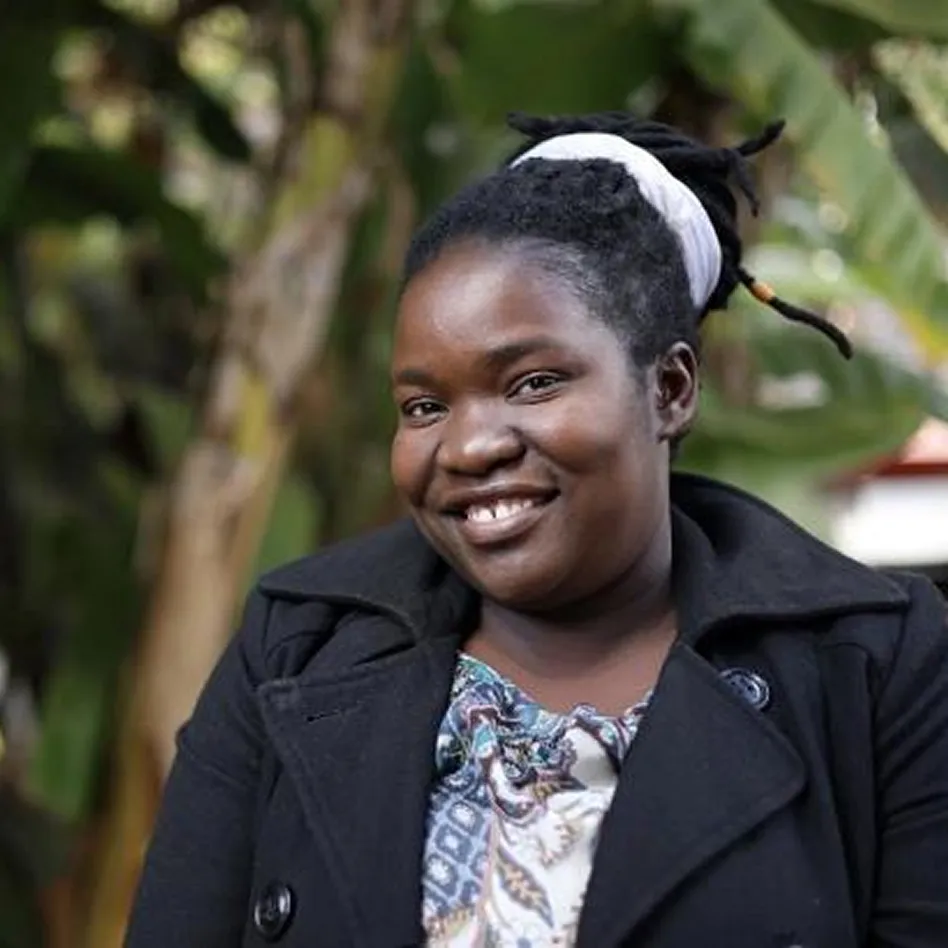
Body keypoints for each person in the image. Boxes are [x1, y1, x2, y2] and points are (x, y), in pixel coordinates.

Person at [125, 111, 948, 948]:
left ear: (669, 389)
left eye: (533, 382)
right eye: (424, 406)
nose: (470, 445)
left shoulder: (879, 667)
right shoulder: (296, 645)